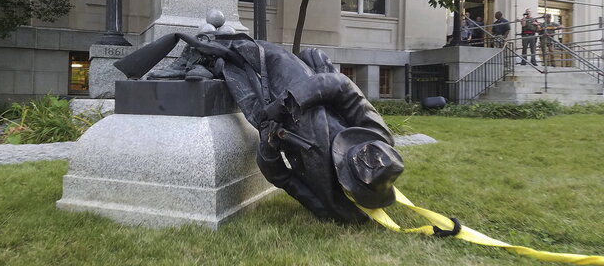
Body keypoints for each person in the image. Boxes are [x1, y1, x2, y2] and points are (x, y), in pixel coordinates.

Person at [114, 32, 405, 223]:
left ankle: (210, 63)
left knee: (239, 82)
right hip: (305, 91)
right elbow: (342, 87)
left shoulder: (333, 204)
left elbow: (285, 180)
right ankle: (200, 51)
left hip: (274, 126)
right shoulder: (377, 136)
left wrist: (267, 149)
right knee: (259, 52)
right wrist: (291, 100)